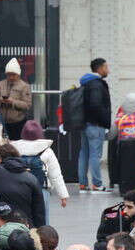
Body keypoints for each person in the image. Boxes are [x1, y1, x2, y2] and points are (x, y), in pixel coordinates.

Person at [14, 120, 70, 215]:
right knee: (43, 220)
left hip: (20, 190)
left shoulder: (14, 148)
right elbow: (55, 175)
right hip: (41, 189)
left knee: (22, 218)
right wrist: (63, 196)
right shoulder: (47, 150)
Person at [73, 58, 112, 192]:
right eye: (106, 67)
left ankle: (83, 184)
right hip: (95, 125)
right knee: (95, 154)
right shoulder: (96, 84)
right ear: (100, 68)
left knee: (84, 153)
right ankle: (97, 184)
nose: (108, 70)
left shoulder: (86, 82)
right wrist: (102, 121)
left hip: (85, 124)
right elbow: (96, 105)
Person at [0, 57, 34, 140]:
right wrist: (1, 100)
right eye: (8, 74)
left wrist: (13, 102)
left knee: (18, 145)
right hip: (3, 122)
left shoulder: (24, 86)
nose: (11, 77)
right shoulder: (1, 84)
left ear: (18, 74)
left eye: (13, 74)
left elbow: (27, 105)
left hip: (19, 123)